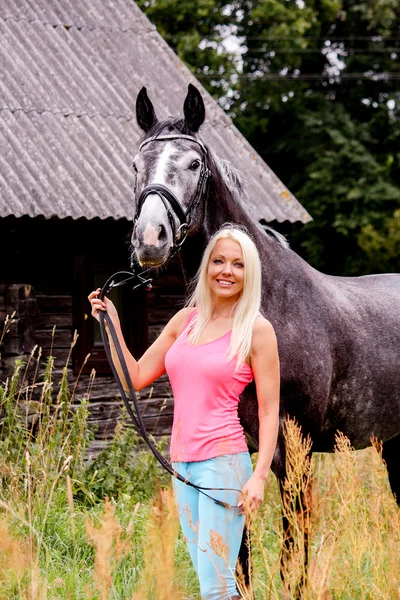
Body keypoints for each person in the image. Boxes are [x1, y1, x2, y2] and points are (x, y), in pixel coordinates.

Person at [88, 224, 280, 600]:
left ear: (249, 273)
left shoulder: (256, 331)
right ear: (207, 267)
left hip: (223, 463)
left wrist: (259, 476)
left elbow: (271, 411)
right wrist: (109, 324)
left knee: (216, 586)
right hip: (182, 464)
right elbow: (136, 377)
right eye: (219, 261)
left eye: (238, 265)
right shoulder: (185, 321)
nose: (227, 271)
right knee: (210, 576)